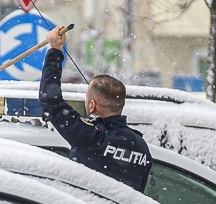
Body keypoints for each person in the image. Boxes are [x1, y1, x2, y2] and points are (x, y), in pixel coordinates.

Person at [38, 24, 152, 192]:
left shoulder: (92, 138)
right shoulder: (141, 146)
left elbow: (51, 102)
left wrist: (55, 51)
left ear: (92, 105)